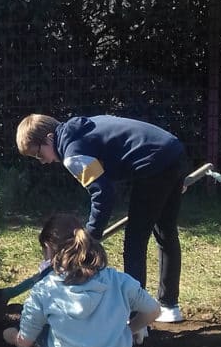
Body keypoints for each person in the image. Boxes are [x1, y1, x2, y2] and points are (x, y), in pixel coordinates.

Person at [16, 113, 188, 323]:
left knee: (135, 239)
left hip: (154, 164)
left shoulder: (73, 155)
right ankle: (169, 306)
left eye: (39, 155)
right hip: (172, 151)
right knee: (165, 231)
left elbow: (103, 194)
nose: (43, 162)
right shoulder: (81, 130)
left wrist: (89, 237)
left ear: (49, 138)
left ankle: (136, 316)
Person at [3, 213, 161, 347]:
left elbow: (25, 342)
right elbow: (153, 311)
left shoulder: (45, 290)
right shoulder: (119, 280)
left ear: (49, 249)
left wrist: (10, 335)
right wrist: (128, 330)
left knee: (43, 327)